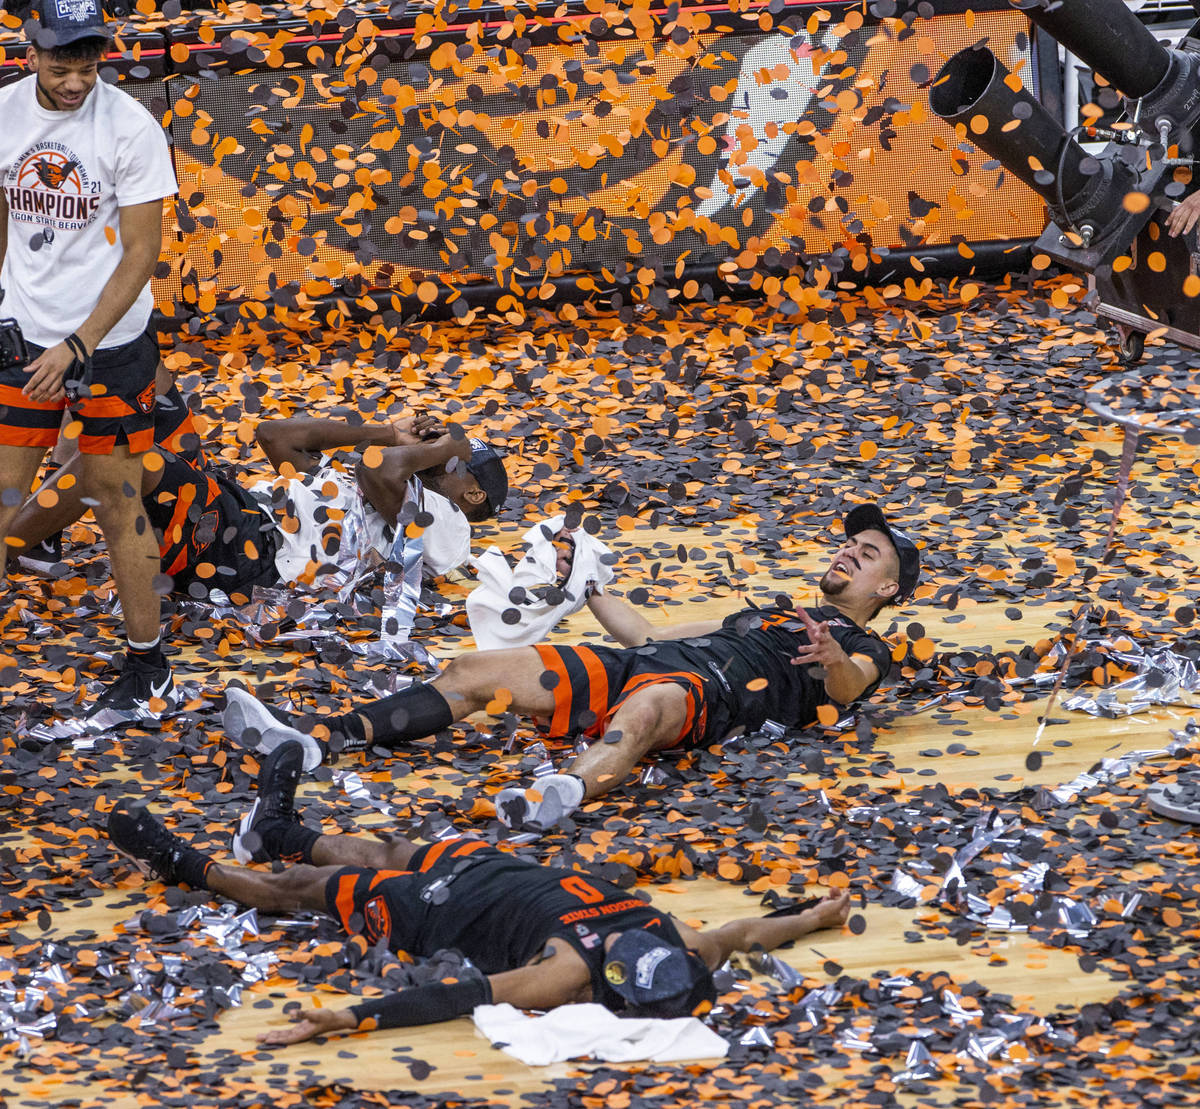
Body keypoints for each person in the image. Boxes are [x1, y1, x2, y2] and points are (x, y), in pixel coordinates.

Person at [221, 503, 920, 826]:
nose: (851, 551)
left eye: (870, 554)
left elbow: (850, 688)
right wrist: (588, 585)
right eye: (851, 542)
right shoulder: (761, 612)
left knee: (645, 714)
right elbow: (648, 634)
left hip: (707, 695)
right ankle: (316, 741)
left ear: (886, 590)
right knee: (472, 671)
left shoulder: (864, 646)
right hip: (638, 664)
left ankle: (558, 798)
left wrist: (832, 660)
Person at [106, 741, 851, 1042]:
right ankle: (276, 825)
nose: (636, 936)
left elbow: (455, 998)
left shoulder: (565, 973)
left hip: (436, 915)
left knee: (302, 890)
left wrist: (341, 1018)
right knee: (384, 844)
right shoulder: (685, 949)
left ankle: (184, 863)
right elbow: (750, 932)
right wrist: (815, 914)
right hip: (495, 870)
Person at [0, 0, 178, 726]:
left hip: (110, 346)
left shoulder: (130, 128)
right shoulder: (4, 114)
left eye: (88, 68)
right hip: (21, 335)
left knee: (114, 497)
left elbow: (141, 252)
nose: (75, 83)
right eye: (60, 67)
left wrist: (77, 345)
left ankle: (148, 660)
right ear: (30, 51)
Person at [6, 407, 508, 603]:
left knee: (115, 456)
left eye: (458, 461)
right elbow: (275, 436)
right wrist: (387, 430)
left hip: (249, 553)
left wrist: (452, 445)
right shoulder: (366, 490)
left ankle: (13, 545)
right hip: (234, 518)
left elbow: (377, 469)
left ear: (473, 493)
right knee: (113, 409)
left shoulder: (451, 528)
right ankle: (23, 542)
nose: (437, 445)